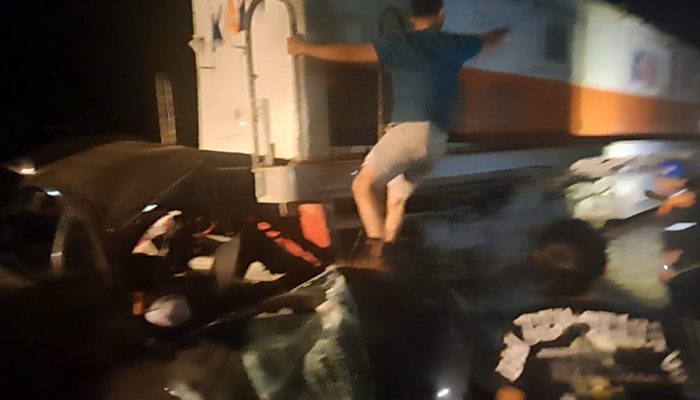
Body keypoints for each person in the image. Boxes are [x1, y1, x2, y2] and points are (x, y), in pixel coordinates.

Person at [287, 0, 509, 267]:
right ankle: (390, 256)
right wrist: (505, 30)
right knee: (396, 199)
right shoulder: (456, 44)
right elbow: (488, 40)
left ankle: (377, 257)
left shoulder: (400, 44)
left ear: (411, 17)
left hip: (409, 132)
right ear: (441, 14)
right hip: (436, 141)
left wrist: (304, 48)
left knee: (363, 186)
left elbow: (349, 53)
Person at [467, 219, 691, 400]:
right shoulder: (652, 331)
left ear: (537, 266)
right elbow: (674, 389)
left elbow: (509, 394)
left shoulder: (522, 331)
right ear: (604, 268)